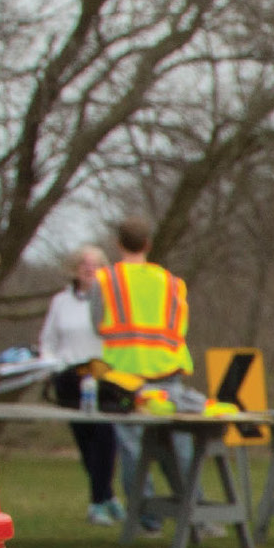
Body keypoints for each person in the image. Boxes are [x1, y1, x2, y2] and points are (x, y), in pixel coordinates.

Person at [88, 218, 194, 529]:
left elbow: (97, 324)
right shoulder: (173, 283)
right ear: (148, 244)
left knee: (133, 449)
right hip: (167, 372)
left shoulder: (106, 280)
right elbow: (180, 328)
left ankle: (146, 516)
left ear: (118, 245)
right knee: (181, 447)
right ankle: (195, 513)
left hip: (125, 377)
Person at [38, 244, 110, 515]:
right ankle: (104, 497)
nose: (89, 269)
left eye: (96, 264)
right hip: (69, 377)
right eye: (84, 264)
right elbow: (48, 341)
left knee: (105, 437)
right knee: (84, 440)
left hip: (102, 375)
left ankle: (99, 500)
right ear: (75, 269)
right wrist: (53, 366)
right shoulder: (60, 302)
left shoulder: (109, 302)